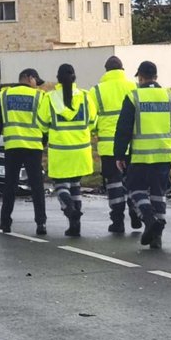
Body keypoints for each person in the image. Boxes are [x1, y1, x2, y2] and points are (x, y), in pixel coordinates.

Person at [114, 61, 171, 249]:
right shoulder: (170, 96)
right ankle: (157, 234)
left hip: (140, 157)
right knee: (159, 194)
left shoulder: (134, 97)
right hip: (163, 156)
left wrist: (119, 154)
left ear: (140, 77)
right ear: (156, 76)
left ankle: (148, 218)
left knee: (135, 189)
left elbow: (123, 128)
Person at [38, 64, 97, 237]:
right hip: (81, 151)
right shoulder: (85, 97)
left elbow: (42, 123)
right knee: (76, 185)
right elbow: (93, 121)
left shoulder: (50, 98)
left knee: (61, 186)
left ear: (58, 78)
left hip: (60, 151)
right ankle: (75, 225)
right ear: (74, 77)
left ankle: (70, 209)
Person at [0, 68, 47, 235]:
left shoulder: (5, 95)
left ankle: (5, 222)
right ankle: (41, 223)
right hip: (33, 148)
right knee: (37, 187)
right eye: (36, 81)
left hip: (12, 147)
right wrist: (42, 142)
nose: (37, 85)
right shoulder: (40, 97)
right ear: (29, 78)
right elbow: (45, 123)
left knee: (10, 186)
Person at [88, 56, 140, 234]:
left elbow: (91, 119)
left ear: (106, 70)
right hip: (133, 145)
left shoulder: (96, 91)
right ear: (122, 69)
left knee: (114, 183)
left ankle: (117, 221)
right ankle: (136, 212)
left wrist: (96, 132)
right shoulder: (134, 87)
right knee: (132, 181)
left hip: (109, 146)